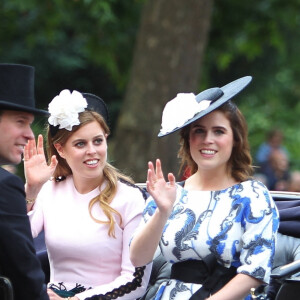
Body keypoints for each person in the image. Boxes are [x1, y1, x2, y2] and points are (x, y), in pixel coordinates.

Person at [130, 76, 279, 300]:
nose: (208, 139)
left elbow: (255, 271)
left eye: (219, 131)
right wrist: (162, 212)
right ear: (188, 139)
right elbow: (138, 259)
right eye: (199, 131)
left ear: (235, 140)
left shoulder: (253, 195)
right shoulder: (171, 193)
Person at [24, 89, 152, 300]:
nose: (92, 150)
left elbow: (136, 281)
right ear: (61, 149)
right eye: (80, 144)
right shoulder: (48, 191)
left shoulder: (131, 198)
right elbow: (13, 243)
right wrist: (32, 190)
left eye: (98, 141)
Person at [0, 63, 49, 300]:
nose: (30, 134)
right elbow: (26, 277)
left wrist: (32, 190)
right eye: (20, 121)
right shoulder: (4, 185)